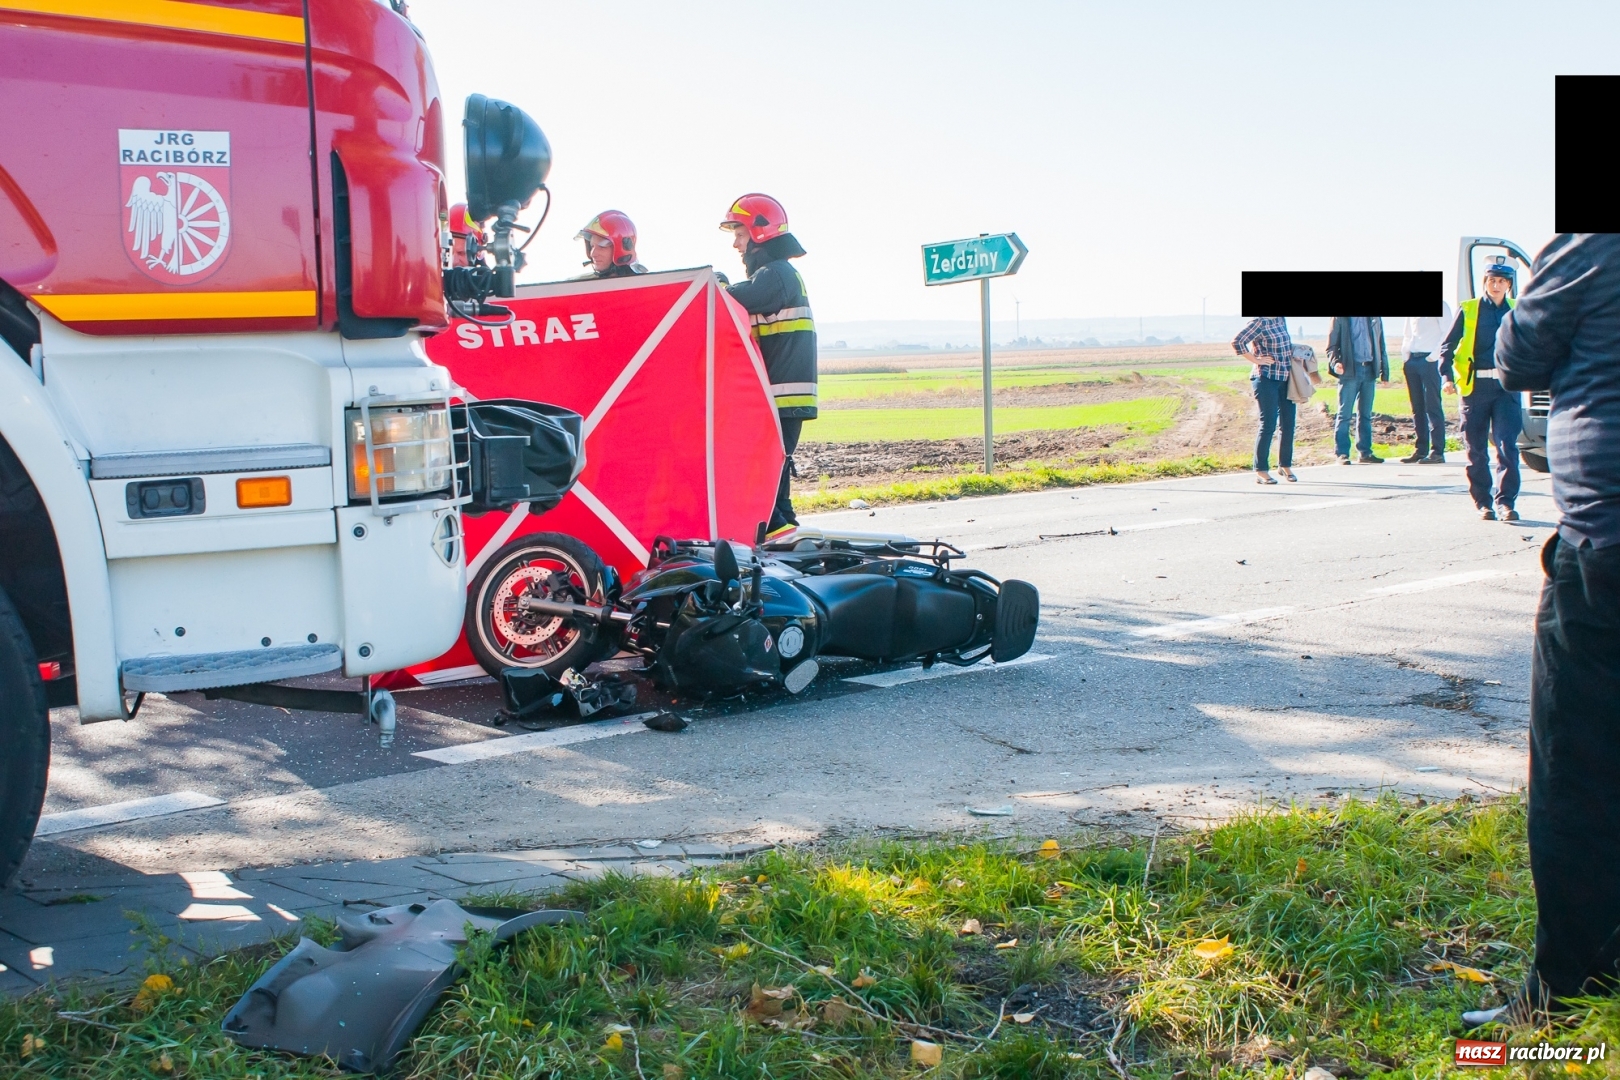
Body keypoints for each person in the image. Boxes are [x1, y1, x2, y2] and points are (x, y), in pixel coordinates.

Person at [1461, 233, 1620, 1028]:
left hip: (1609, 547)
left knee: (1579, 766)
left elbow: (1519, 354)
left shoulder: (1590, 245)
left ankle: (1571, 989)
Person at [719, 193, 816, 535]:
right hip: (781, 395)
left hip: (782, 395)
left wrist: (716, 287)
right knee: (774, 469)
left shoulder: (776, 275)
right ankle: (786, 532)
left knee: (762, 468)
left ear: (760, 234)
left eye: (740, 235)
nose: (736, 244)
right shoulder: (777, 274)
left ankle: (777, 535)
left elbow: (739, 297)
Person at [1439, 263, 1521, 521]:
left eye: (1501, 281)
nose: (1495, 285)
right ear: (1485, 282)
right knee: (1476, 449)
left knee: (1508, 446)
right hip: (1475, 389)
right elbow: (1447, 347)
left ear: (1509, 285)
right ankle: (1483, 503)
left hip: (1506, 389)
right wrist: (1446, 377)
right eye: (1491, 280)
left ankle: (1506, 503)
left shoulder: (1517, 310)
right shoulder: (1470, 309)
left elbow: (1534, 344)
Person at [1232, 315, 1296, 483]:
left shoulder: (1280, 319)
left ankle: (1285, 465)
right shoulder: (1259, 322)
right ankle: (1261, 471)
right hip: (1265, 378)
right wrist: (1257, 360)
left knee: (1288, 424)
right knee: (1268, 424)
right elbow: (1237, 342)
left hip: (1285, 378)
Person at [1325, 315, 1391, 464]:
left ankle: (1365, 453)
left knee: (1365, 415)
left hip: (1369, 371)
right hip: (1349, 371)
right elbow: (1331, 346)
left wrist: (1384, 372)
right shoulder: (1340, 318)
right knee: (1345, 414)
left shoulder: (1375, 318)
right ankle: (1342, 454)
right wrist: (1336, 363)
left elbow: (1381, 345)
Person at [1400, 299, 1453, 463]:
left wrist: (1433, 357)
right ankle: (1420, 449)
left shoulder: (1442, 306)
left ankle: (1437, 451)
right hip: (1413, 360)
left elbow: (1447, 333)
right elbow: (1408, 334)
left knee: (1433, 406)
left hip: (1429, 361)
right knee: (1417, 407)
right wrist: (1406, 357)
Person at [575, 211, 647, 278]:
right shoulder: (582, 286)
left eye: (601, 247)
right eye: (592, 246)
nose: (593, 254)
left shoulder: (643, 285)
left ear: (624, 248)